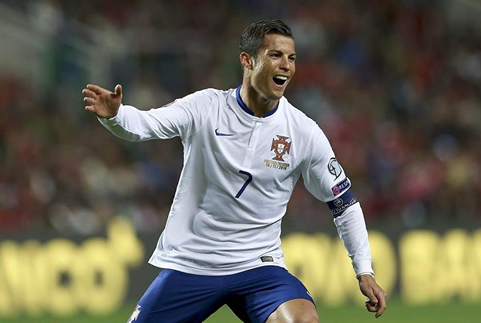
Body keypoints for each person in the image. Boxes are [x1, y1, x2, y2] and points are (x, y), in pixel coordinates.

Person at [82, 19, 387, 323]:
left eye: (291, 58)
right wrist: (116, 116)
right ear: (247, 60)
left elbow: (344, 204)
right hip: (194, 263)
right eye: (275, 55)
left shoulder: (304, 132)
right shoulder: (205, 108)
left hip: (259, 266)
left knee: (303, 321)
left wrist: (364, 270)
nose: (286, 66)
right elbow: (147, 124)